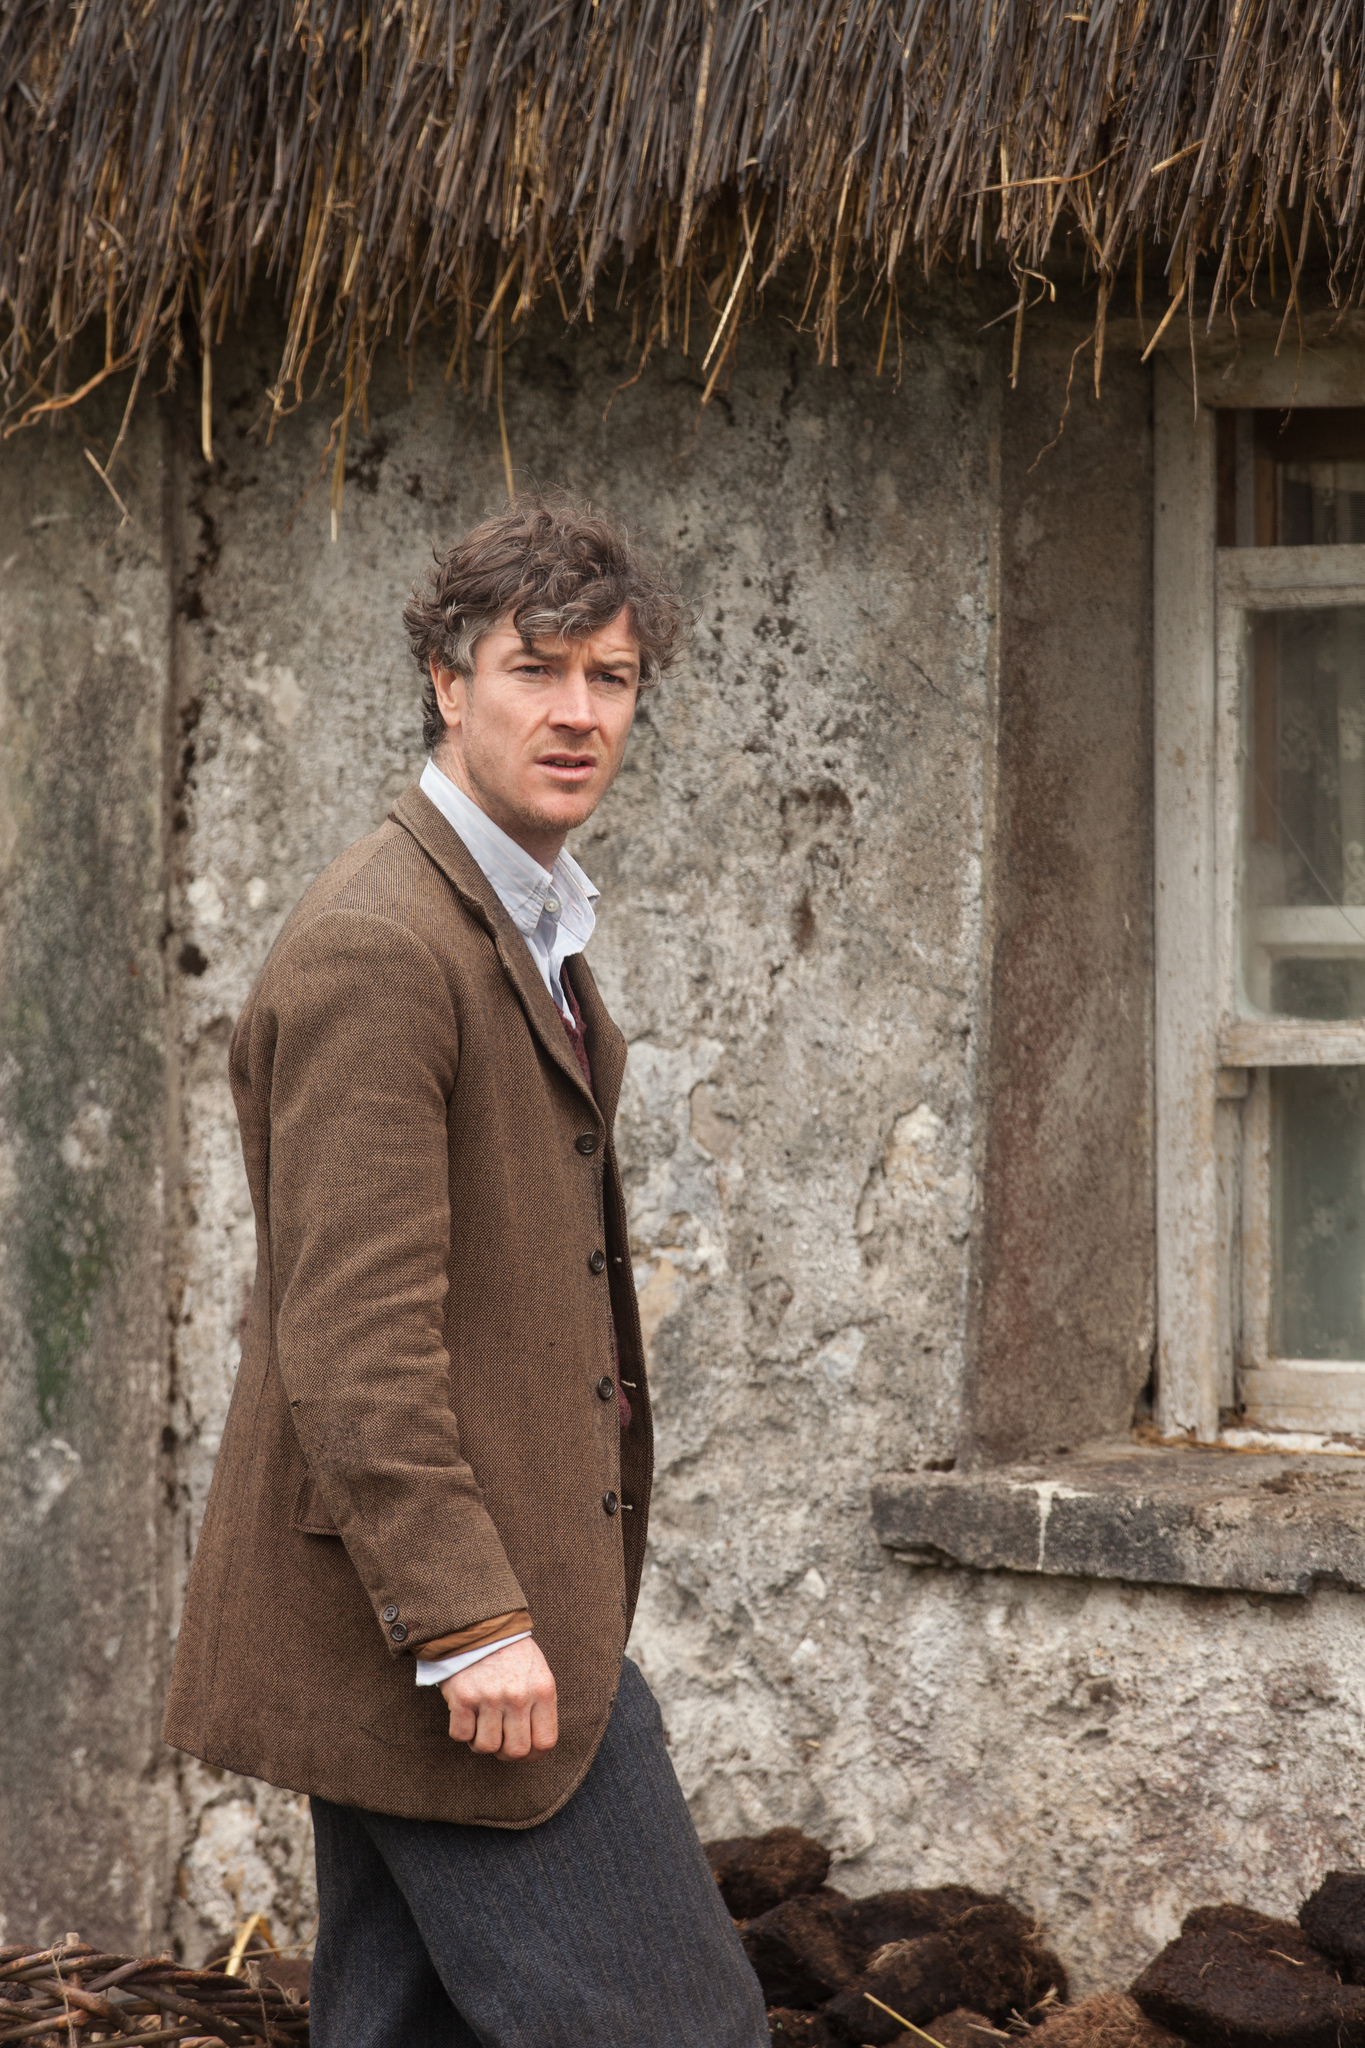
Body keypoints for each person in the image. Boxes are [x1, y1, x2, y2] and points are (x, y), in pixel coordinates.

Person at [162, 498, 770, 2047]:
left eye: (613, 677)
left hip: (474, 1605)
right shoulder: (383, 942)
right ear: (447, 679)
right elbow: (351, 1341)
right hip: (445, 1626)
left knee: (407, 2028)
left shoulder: (521, 919)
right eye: (535, 667)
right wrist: (463, 1621)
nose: (577, 712)